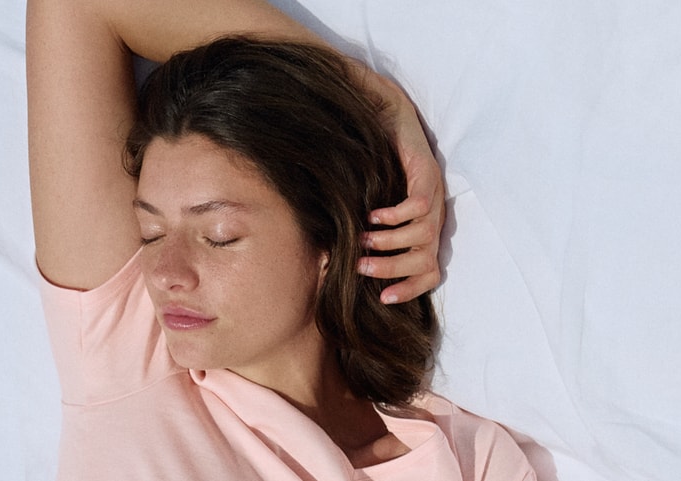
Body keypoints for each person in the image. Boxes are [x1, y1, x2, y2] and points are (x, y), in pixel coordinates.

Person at [27, 2, 535, 480]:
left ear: (328, 241)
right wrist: (366, 96)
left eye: (219, 237)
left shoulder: (468, 457)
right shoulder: (127, 359)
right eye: (151, 233)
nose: (165, 274)